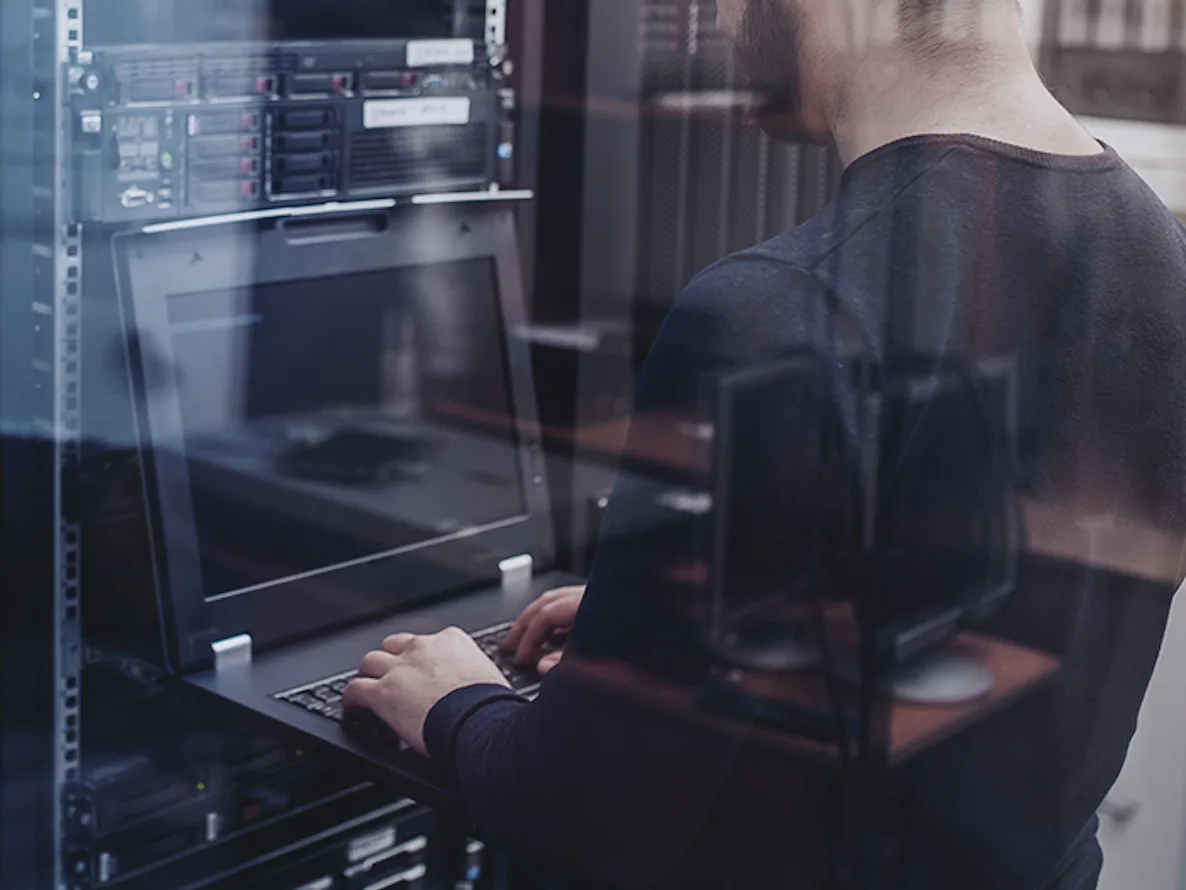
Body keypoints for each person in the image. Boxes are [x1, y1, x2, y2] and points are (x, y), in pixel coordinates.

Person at [343, 0, 1186, 887]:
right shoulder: (1163, 258)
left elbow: (579, 811)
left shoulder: (772, 310)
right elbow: (972, 623)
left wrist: (454, 702)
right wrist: (671, 622)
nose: (719, 20)